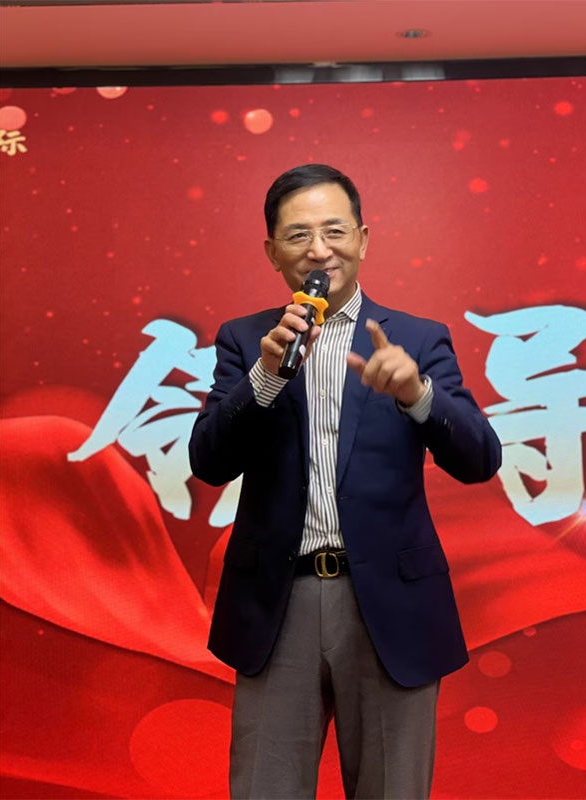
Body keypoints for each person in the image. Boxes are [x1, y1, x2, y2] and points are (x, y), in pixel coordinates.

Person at [189, 164, 501, 800]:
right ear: (272, 251)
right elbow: (209, 461)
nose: (319, 250)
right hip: (278, 603)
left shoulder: (417, 339)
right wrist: (265, 378)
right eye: (298, 235)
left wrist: (417, 394)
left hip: (390, 602)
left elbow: (480, 460)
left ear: (363, 239)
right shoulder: (246, 340)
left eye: (334, 231)